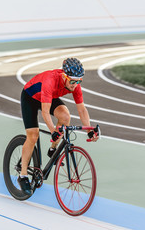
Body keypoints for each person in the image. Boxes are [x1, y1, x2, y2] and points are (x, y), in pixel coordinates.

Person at [18, 57, 99, 195]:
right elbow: (45, 112)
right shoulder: (51, 80)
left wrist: (89, 130)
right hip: (30, 98)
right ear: (64, 76)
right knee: (33, 136)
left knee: (65, 117)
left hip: (48, 97)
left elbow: (82, 110)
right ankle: (23, 175)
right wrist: (52, 131)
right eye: (72, 81)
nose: (75, 84)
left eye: (79, 81)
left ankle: (53, 149)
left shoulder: (75, 85)